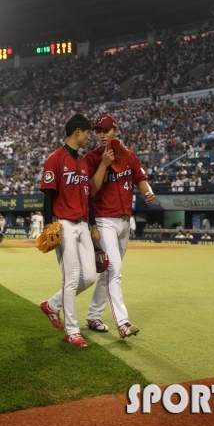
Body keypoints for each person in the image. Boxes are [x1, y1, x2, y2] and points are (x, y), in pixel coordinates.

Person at [39, 113, 109, 348]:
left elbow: (88, 195)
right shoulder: (55, 159)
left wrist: (93, 225)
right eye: (88, 132)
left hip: (82, 224)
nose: (90, 136)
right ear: (77, 132)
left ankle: (51, 305)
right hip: (65, 224)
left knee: (89, 276)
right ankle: (72, 331)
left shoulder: (81, 162)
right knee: (71, 278)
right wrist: (48, 224)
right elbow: (48, 194)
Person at [85, 113, 156, 339]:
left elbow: (140, 180)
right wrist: (104, 165)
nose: (101, 135)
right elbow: (91, 191)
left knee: (108, 273)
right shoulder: (92, 158)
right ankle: (123, 323)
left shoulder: (130, 157)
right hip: (104, 220)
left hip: (125, 221)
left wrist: (148, 192)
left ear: (116, 130)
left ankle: (93, 316)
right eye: (98, 131)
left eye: (105, 130)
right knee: (114, 270)